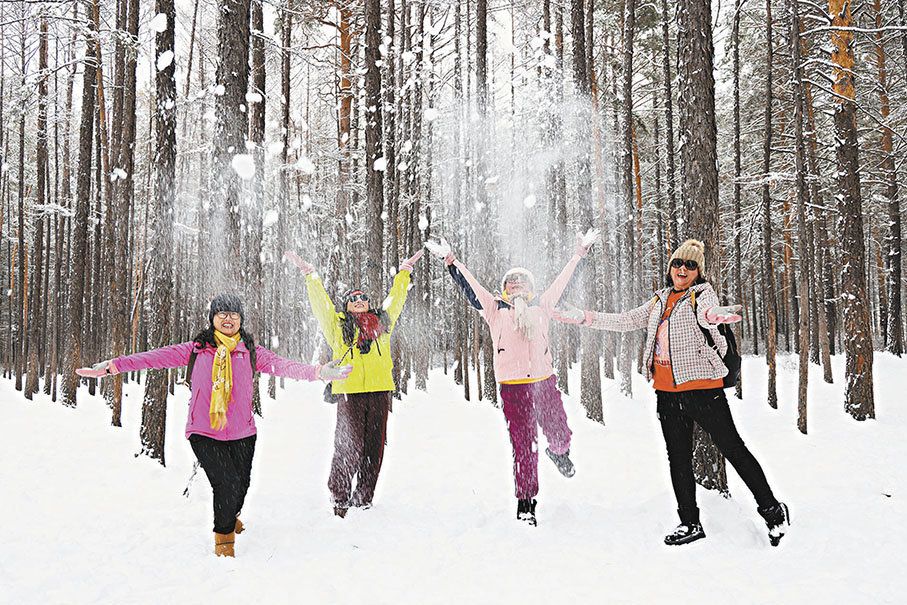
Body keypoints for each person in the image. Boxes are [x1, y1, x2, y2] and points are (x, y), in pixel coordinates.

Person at [76, 293, 352, 557]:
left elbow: (284, 366)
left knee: (241, 485)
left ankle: (229, 514)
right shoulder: (197, 350)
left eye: (233, 314)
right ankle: (224, 542)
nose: (228, 319)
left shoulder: (251, 351)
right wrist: (115, 365)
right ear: (213, 319)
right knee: (227, 483)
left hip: (243, 431)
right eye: (222, 314)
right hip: (204, 431)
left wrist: (318, 372)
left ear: (241, 319)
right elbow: (154, 357)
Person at [555, 239, 790, 546]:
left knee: (733, 450)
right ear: (670, 268)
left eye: (690, 265)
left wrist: (716, 316)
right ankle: (690, 523)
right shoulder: (659, 300)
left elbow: (707, 313)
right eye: (678, 263)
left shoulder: (701, 294)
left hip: (704, 391)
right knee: (678, 460)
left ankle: (773, 513)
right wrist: (583, 317)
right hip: (666, 393)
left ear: (698, 272)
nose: (683, 269)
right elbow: (626, 320)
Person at [424, 230, 600, 526]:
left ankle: (560, 452)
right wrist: (451, 261)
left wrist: (580, 254)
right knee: (524, 444)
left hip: (543, 383)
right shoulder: (495, 309)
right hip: (513, 389)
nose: (516, 284)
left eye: (522, 281)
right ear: (504, 288)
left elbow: (564, 281)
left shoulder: (542, 305)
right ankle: (526, 502)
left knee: (559, 432)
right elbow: (471, 287)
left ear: (531, 287)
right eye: (510, 281)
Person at [285, 249, 423, 517]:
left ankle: (364, 497)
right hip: (350, 393)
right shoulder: (338, 328)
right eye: (353, 299)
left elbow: (396, 299)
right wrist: (310, 276)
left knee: (374, 446)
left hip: (380, 392)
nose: (359, 300)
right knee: (348, 445)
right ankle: (339, 497)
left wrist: (404, 272)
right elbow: (321, 306)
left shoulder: (382, 324)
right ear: (346, 306)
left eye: (363, 298)